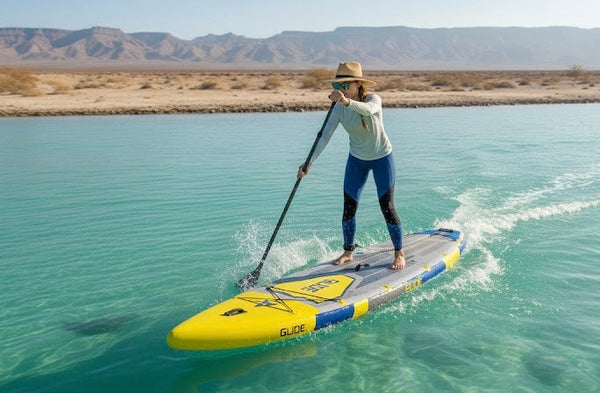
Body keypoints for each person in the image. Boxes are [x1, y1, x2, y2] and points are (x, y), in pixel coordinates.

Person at [297, 61, 406, 270]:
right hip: (357, 160)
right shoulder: (338, 108)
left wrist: (346, 101)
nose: (341, 90)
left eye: (346, 85)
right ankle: (348, 252)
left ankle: (399, 253)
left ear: (358, 84)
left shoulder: (373, 99)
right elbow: (324, 136)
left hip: (382, 157)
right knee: (349, 206)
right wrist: (309, 162)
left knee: (387, 206)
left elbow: (367, 110)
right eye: (338, 86)